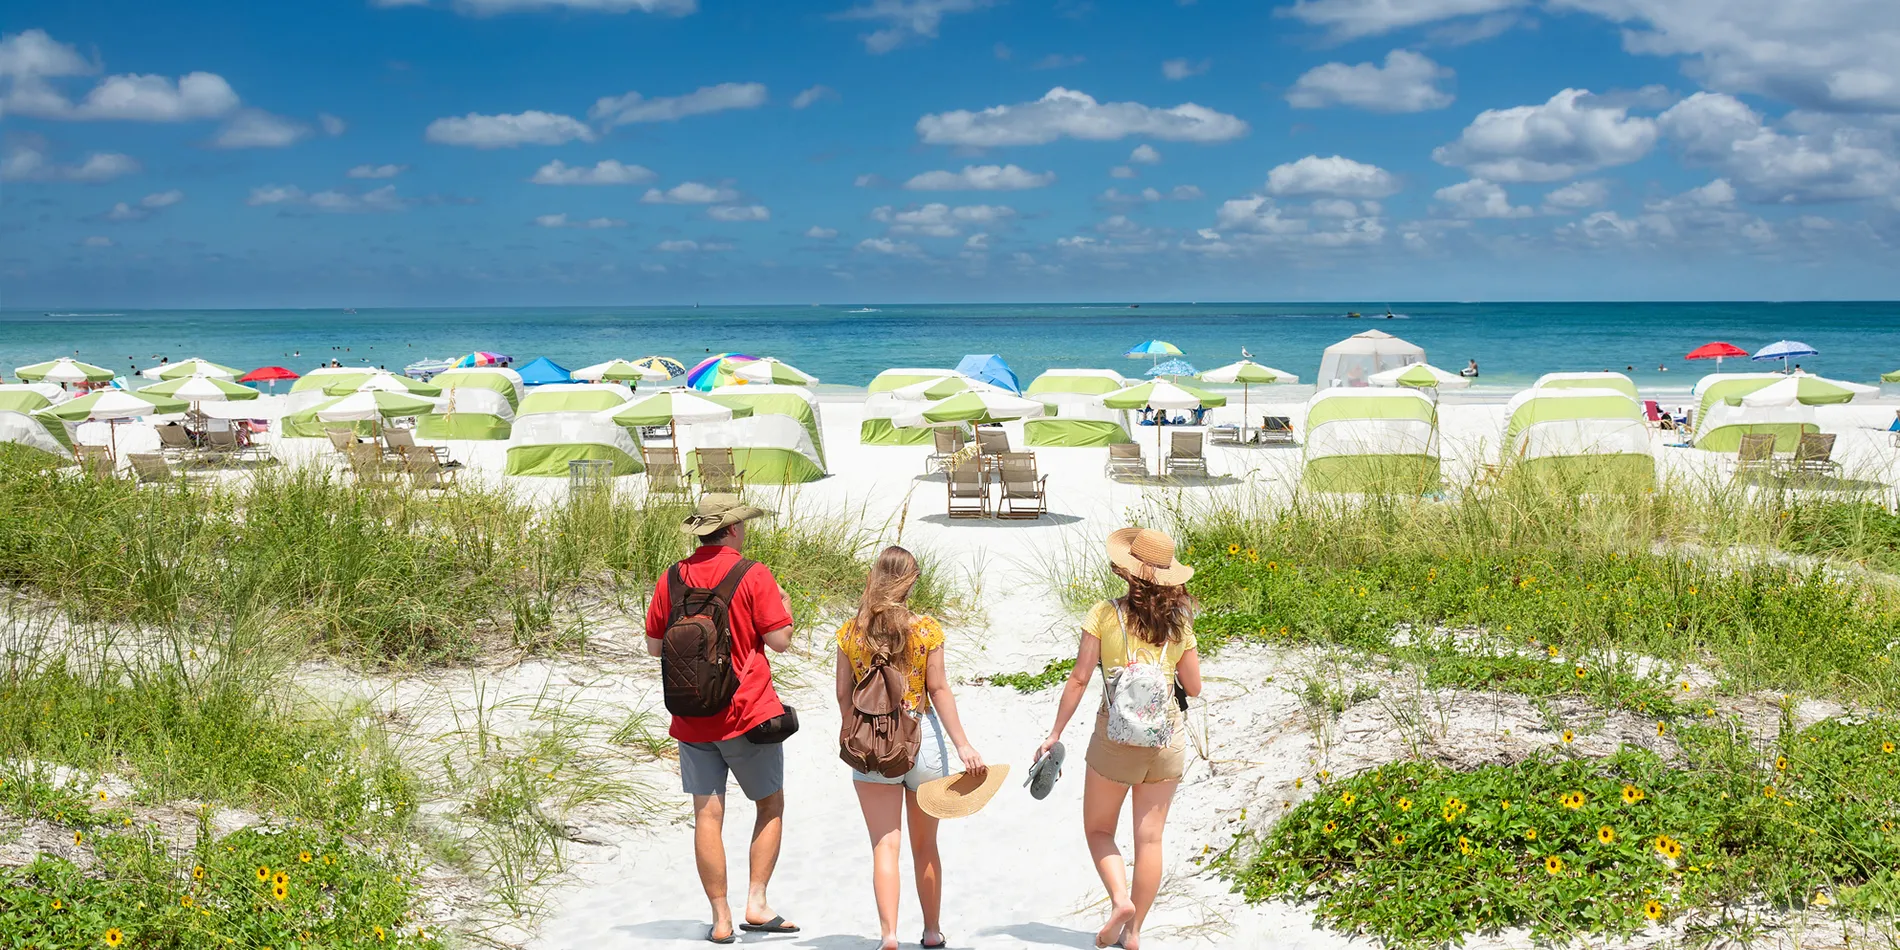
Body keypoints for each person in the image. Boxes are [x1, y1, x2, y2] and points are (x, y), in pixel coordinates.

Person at [1034, 527, 1202, 950]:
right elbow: (1194, 686)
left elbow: (1078, 679)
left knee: (1098, 830)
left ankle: (1119, 899)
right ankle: (1135, 932)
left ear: (1129, 573)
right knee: (1150, 839)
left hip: (1115, 738)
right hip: (1165, 739)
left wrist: (1055, 733)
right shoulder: (1180, 623)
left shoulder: (1105, 614)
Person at [645, 495, 800, 943]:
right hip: (748, 713)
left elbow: (655, 647)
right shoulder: (753, 573)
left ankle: (720, 918)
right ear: (732, 529)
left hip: (691, 717)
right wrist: (785, 607)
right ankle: (757, 902)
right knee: (769, 805)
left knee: (707, 816)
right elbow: (780, 639)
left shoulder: (672, 576)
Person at [835, 546, 987, 950]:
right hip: (923, 742)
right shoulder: (925, 630)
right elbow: (938, 690)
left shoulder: (851, 632)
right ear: (911, 581)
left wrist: (857, 731)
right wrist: (964, 744)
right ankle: (932, 931)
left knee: (885, 845)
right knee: (925, 845)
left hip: (871, 743)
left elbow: (843, 695)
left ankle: (888, 934)